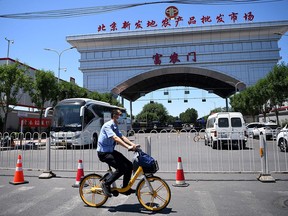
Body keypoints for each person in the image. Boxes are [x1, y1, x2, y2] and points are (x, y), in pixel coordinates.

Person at [97, 109, 139, 197]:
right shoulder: (107, 126)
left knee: (129, 165)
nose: (120, 118)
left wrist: (133, 144)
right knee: (122, 168)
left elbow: (122, 137)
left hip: (110, 151)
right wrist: (128, 147)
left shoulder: (115, 126)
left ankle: (125, 188)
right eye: (119, 116)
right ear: (114, 116)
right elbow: (115, 138)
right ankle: (106, 184)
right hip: (103, 153)